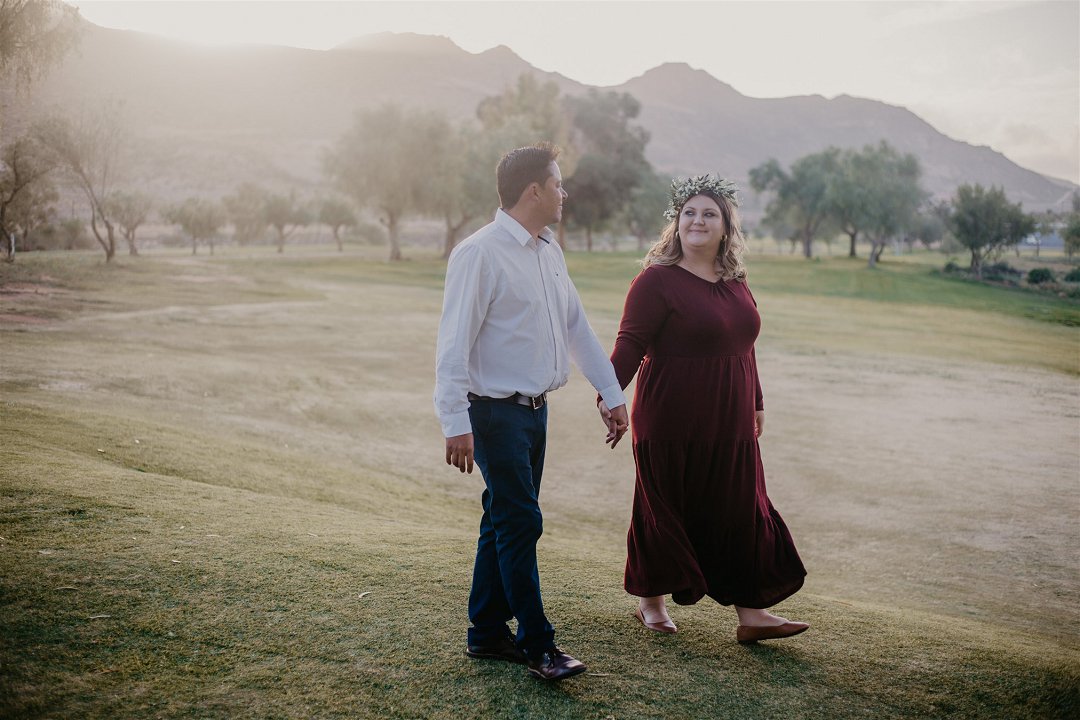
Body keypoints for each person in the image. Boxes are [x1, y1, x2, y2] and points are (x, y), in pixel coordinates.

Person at [434, 143, 630, 680]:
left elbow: (577, 329)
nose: (565, 192)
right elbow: (453, 345)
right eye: (559, 183)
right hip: (493, 414)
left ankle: (486, 633)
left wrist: (612, 394)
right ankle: (538, 645)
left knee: (501, 521)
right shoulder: (479, 253)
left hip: (536, 413)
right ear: (534, 191)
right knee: (521, 522)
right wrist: (455, 423)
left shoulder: (549, 251)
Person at [599, 174, 808, 643]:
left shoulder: (735, 280)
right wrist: (609, 396)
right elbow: (630, 343)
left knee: (741, 508)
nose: (697, 220)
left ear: (725, 227)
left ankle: (751, 614)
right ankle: (649, 602)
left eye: (709, 213)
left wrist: (755, 401)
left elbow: (745, 345)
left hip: (730, 418)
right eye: (689, 212)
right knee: (664, 506)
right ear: (677, 223)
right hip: (671, 414)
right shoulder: (655, 280)